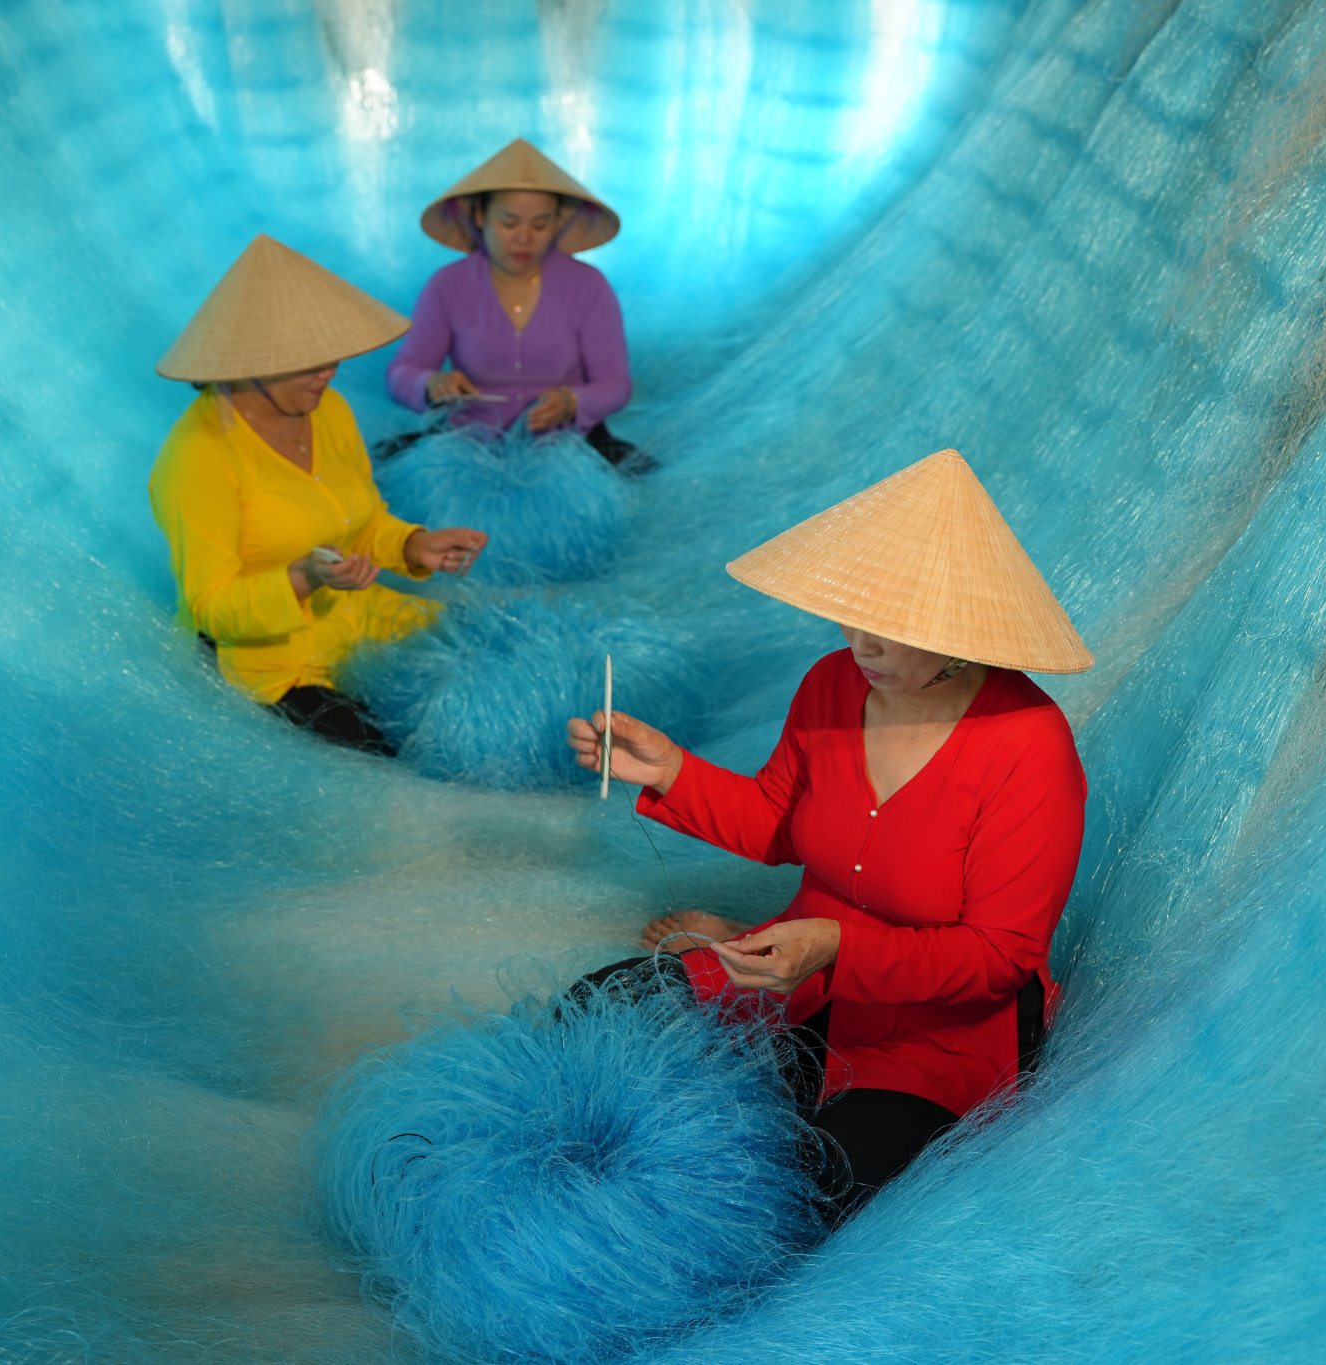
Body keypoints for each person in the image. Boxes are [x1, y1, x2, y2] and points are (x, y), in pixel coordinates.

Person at [565, 449, 1093, 1218]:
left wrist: (836, 949)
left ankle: (733, 940)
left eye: (891, 626)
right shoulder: (829, 684)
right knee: (598, 1005)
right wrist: (671, 770)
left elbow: (998, 957)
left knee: (808, 1189)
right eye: (852, 611)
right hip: (798, 967)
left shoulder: (1030, 744)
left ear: (960, 629)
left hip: (938, 1033)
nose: (860, 643)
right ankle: (734, 939)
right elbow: (779, 824)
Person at [149, 234, 489, 753]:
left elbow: (362, 519)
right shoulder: (196, 458)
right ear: (250, 360)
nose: (328, 373)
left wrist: (413, 545)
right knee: (391, 754)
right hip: (271, 667)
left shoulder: (328, 410)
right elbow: (210, 607)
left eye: (329, 356)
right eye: (309, 362)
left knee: (485, 646)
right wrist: (302, 578)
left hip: (358, 619)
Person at [384, 139, 639, 467]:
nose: (524, 238)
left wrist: (571, 401)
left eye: (540, 225)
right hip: (468, 443)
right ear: (479, 215)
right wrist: (431, 383)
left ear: (557, 223)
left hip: (568, 446)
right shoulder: (447, 285)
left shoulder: (589, 286)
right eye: (509, 223)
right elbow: (400, 374)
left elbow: (616, 385)